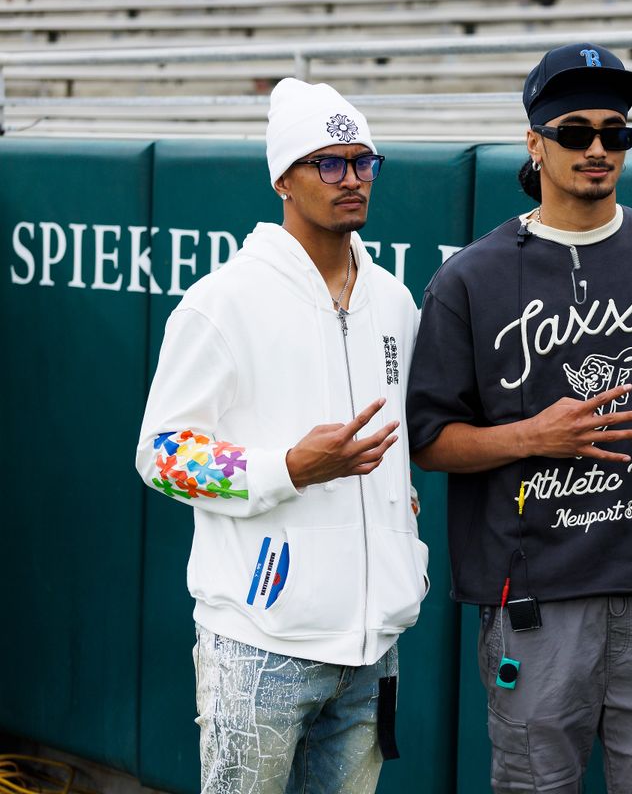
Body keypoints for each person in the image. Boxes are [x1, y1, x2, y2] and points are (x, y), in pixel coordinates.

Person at [406, 43, 632, 793]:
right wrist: (534, 435)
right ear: (535, 142)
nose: (597, 149)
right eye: (576, 132)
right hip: (534, 597)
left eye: (615, 133)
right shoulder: (471, 278)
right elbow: (429, 441)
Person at [134, 78, 429, 794]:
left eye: (363, 161)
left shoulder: (393, 299)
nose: (352, 178)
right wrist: (289, 467)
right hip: (259, 646)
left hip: (374, 648)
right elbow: (162, 455)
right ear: (283, 180)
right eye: (329, 163)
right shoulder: (222, 302)